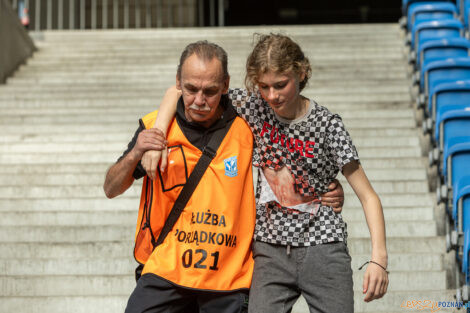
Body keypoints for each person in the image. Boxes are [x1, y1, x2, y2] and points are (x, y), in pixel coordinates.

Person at [145, 34, 388, 313]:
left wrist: (378, 259)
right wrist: (157, 137)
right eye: (264, 86)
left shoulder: (328, 126)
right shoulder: (254, 105)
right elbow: (177, 92)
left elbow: (369, 196)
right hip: (269, 251)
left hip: (323, 246)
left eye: (280, 85)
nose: (272, 95)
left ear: (301, 72)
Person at [104, 41, 255, 313]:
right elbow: (111, 188)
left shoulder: (247, 127)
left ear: (225, 85)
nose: (199, 100)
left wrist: (325, 188)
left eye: (210, 91)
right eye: (191, 89)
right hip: (166, 269)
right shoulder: (155, 126)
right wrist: (137, 151)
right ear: (177, 83)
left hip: (228, 277)